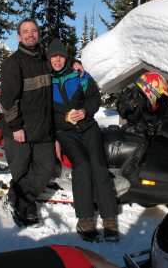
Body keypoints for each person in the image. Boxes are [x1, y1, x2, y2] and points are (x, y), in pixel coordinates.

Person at [0, 19, 84, 227]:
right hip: (20, 130)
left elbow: (59, 60)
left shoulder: (44, 61)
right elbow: (7, 100)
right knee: (21, 172)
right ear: (19, 37)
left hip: (43, 130)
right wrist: (17, 126)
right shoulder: (13, 63)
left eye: (34, 31)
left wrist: (73, 61)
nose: (30, 34)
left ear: (38, 35)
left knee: (46, 168)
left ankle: (15, 200)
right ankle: (25, 207)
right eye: (25, 32)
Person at [47, 38, 120, 242]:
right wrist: (55, 136)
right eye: (54, 56)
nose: (58, 60)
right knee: (82, 165)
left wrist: (85, 110)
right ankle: (85, 219)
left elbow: (95, 98)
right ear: (49, 59)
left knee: (98, 165)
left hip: (88, 128)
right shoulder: (46, 81)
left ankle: (109, 219)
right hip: (65, 133)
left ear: (67, 58)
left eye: (61, 56)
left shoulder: (80, 75)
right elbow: (44, 112)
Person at [116, 72, 168, 146]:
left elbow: (164, 118)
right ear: (152, 92)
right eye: (159, 97)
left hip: (149, 143)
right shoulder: (135, 101)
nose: (158, 101)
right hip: (135, 144)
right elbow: (130, 115)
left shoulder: (149, 103)